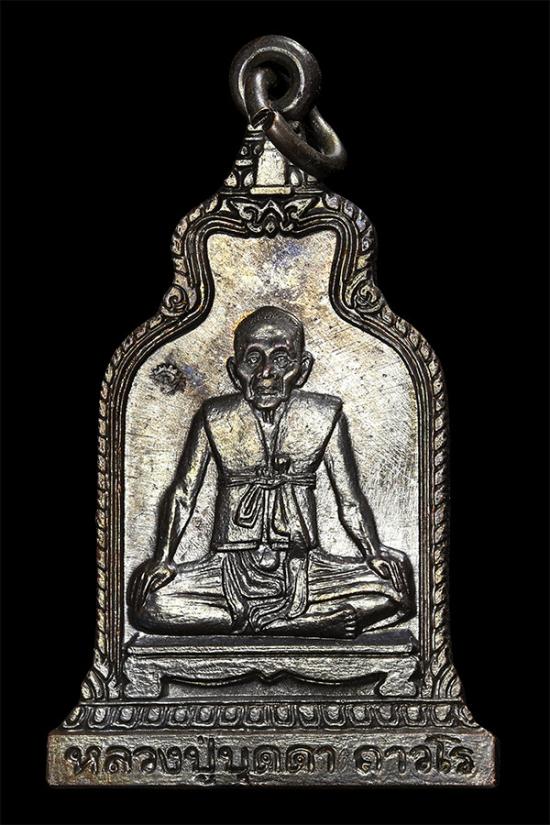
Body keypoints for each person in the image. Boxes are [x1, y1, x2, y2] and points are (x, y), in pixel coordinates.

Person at [129, 306, 414, 638]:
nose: (266, 373)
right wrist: (163, 558)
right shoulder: (214, 416)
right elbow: (183, 493)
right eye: (253, 360)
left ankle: (256, 622)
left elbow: (349, 500)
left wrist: (374, 551)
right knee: (148, 604)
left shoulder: (325, 415)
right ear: (234, 371)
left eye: (281, 360)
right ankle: (295, 624)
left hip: (304, 564)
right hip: (228, 568)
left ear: (303, 369)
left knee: (395, 588)